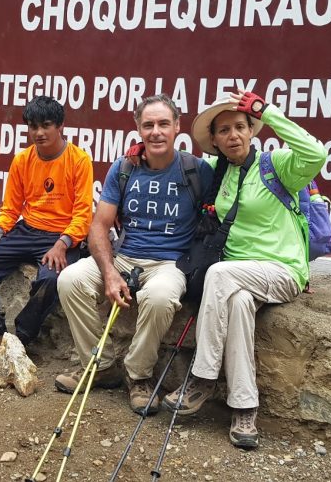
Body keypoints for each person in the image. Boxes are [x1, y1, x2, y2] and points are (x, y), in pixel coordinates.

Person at [161, 90, 327, 450]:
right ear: (216, 141)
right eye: (224, 131)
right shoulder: (223, 175)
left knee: (219, 275)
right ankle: (244, 409)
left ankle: (201, 378)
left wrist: (267, 112)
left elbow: (316, 153)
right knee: (235, 304)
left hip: (282, 271)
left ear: (252, 131)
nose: (233, 135)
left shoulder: (277, 164)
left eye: (240, 127)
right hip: (240, 278)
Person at [55, 94, 213, 414]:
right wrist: (110, 272)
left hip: (169, 262)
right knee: (70, 280)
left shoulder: (197, 171)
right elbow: (98, 226)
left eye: (164, 124)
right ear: (138, 129)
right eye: (148, 125)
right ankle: (100, 366)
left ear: (177, 128)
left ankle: (138, 375)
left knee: (159, 297)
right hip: (124, 256)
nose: (156, 132)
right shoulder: (125, 167)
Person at [0, 95, 93, 366]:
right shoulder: (22, 160)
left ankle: (20, 340)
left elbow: (83, 214)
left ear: (60, 127)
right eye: (33, 126)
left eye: (46, 125)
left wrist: (63, 244)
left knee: (50, 281)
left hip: (62, 236)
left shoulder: (79, 160)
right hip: (28, 230)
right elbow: (11, 208)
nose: (39, 132)